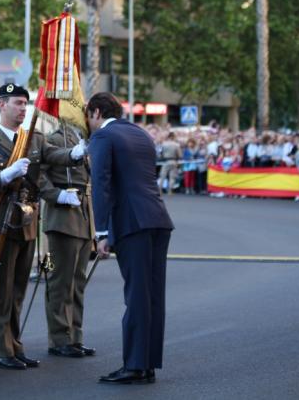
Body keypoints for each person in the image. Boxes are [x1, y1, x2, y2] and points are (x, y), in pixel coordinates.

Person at [0, 83, 85, 371]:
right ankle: (0, 349)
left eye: (25, 103)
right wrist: (4, 175)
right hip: (0, 221)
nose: (23, 108)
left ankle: (14, 345)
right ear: (1, 105)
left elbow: (55, 157)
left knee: (17, 290)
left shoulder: (34, 138)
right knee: (0, 289)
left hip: (26, 221)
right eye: (16, 103)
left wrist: (76, 153)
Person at [86, 92, 175, 385]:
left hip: (131, 222)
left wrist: (100, 232)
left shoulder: (103, 137)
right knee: (152, 296)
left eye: (89, 116)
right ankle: (147, 363)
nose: (89, 123)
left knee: (136, 295)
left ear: (96, 112)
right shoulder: (141, 133)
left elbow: (101, 185)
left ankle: (135, 366)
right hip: (157, 218)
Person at [40, 124, 96, 359]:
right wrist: (57, 195)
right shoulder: (54, 137)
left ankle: (75, 335)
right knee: (60, 281)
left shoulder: (84, 137)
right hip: (63, 214)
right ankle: (59, 338)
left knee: (78, 281)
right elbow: (39, 174)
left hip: (83, 212)